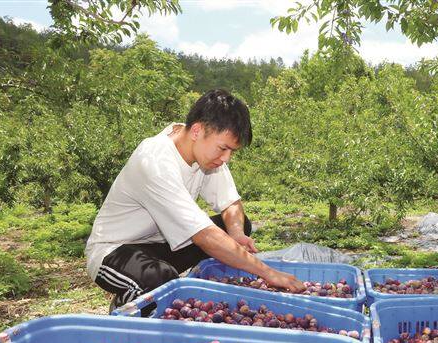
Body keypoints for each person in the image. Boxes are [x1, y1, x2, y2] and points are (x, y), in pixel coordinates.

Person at [85, 89, 305, 309]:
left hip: (161, 243)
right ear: (198, 130)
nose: (225, 158)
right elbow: (204, 236)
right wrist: (269, 273)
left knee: (237, 225)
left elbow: (230, 203)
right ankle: (126, 308)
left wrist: (237, 233)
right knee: (160, 280)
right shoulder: (155, 161)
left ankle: (175, 289)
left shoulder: (202, 148)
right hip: (115, 251)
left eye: (232, 152)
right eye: (223, 148)